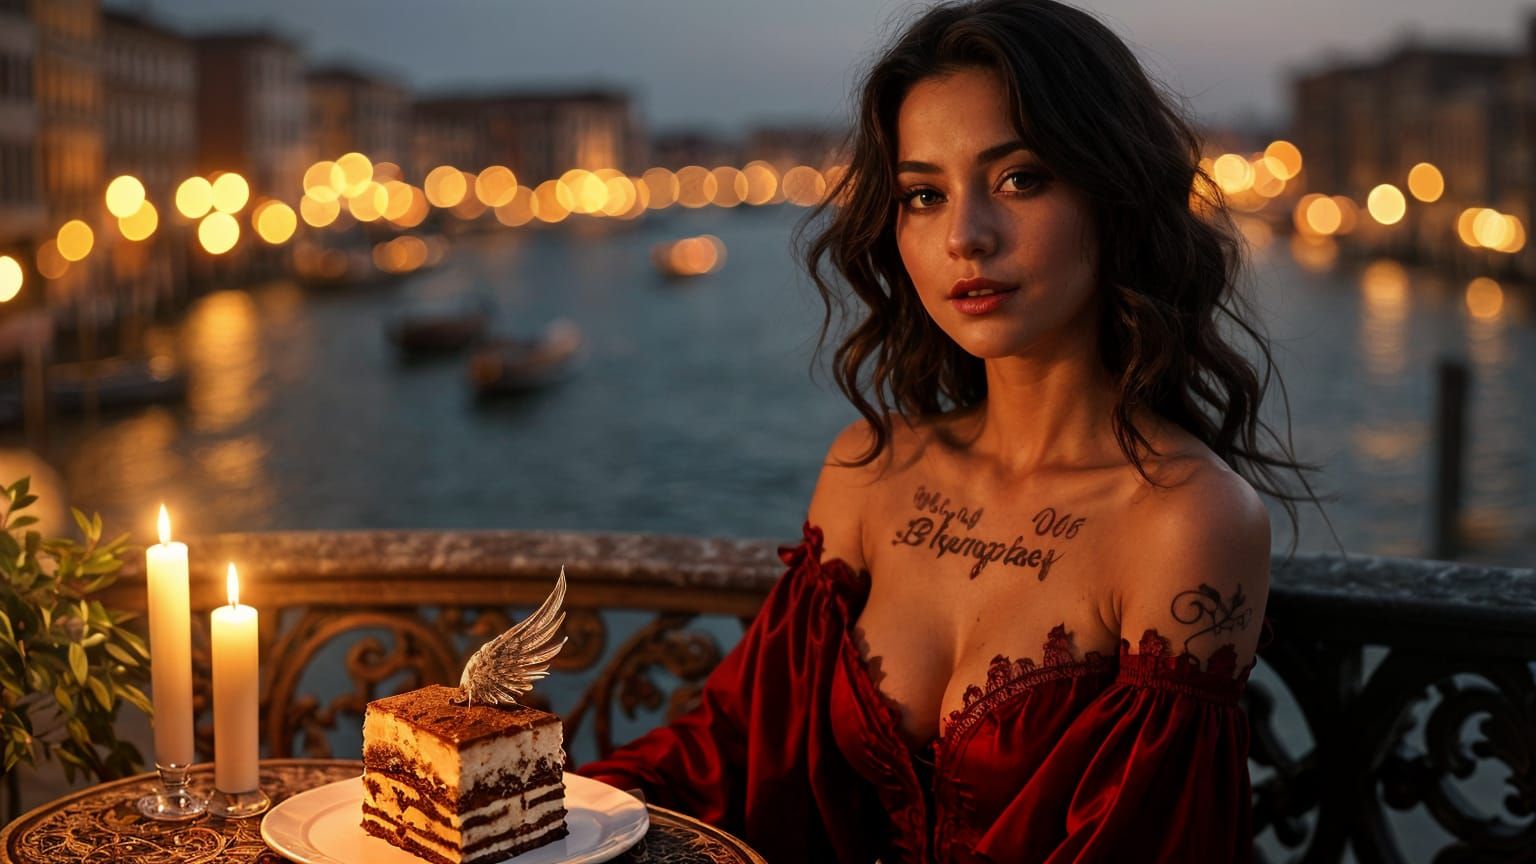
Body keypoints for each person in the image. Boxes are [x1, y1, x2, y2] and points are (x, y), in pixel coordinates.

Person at [580, 1, 1324, 860]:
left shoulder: (1186, 521)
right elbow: (734, 755)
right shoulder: (870, 469)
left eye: (1020, 179)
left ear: (1113, 194)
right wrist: (521, 808)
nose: (965, 237)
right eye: (924, 195)